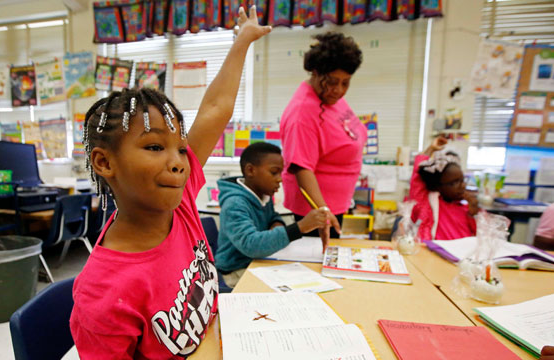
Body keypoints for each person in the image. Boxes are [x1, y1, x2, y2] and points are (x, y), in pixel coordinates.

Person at [69, 7, 270, 359]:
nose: (178, 162)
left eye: (180, 148)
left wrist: (242, 42)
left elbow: (216, 107)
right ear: (104, 162)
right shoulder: (103, 293)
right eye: (155, 147)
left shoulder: (182, 202)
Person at [279, 31, 365, 249]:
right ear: (315, 73)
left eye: (346, 82)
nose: (339, 90)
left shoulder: (331, 99)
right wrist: (322, 211)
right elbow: (301, 167)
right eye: (332, 82)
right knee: (317, 271)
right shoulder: (303, 113)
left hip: (335, 204)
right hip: (316, 210)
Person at [215, 142, 329, 287]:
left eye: (281, 173)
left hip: (257, 262)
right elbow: (251, 245)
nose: (280, 179)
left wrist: (277, 223)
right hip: (234, 272)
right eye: (274, 172)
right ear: (250, 170)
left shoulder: (263, 194)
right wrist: (299, 227)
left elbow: (273, 216)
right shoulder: (235, 204)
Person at [409, 136, 479, 240]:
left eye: (462, 180)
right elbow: (417, 179)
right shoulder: (428, 205)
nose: (463, 185)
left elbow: (476, 235)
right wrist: (430, 149)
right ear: (438, 186)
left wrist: (473, 214)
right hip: (435, 254)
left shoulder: (464, 207)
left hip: (463, 255)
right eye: (454, 182)